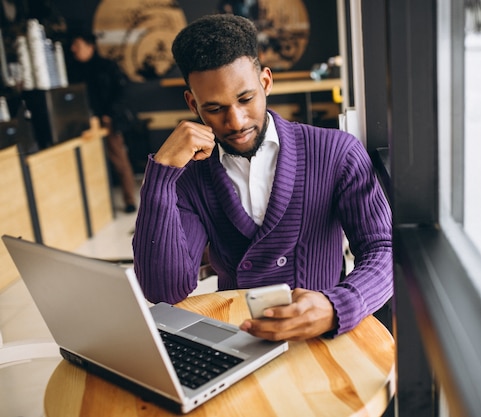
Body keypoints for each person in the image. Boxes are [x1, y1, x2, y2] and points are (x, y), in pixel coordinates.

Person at [132, 14, 392, 341]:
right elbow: (164, 290)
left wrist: (336, 305)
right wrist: (161, 176)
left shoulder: (336, 151)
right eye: (214, 108)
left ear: (266, 82)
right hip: (237, 340)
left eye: (245, 99)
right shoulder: (189, 177)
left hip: (323, 335)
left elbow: (384, 249)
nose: (236, 121)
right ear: (192, 103)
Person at [67, 31, 137, 213]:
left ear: (90, 46)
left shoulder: (107, 66)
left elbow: (122, 92)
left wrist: (110, 114)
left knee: (119, 160)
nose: (73, 49)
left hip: (109, 121)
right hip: (85, 123)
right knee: (91, 163)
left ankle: (129, 200)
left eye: (78, 45)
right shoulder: (73, 69)